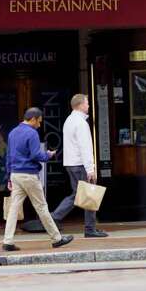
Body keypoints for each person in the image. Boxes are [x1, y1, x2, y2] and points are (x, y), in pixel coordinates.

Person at [3, 107, 74, 251]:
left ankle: (8, 241)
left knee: (14, 209)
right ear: (33, 119)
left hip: (15, 175)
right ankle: (57, 238)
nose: (39, 125)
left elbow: (8, 157)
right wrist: (48, 155)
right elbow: (36, 155)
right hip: (29, 175)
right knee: (41, 207)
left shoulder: (12, 132)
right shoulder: (32, 133)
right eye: (39, 122)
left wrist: (8, 176)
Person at [51, 94, 107, 237]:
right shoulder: (81, 123)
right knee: (88, 194)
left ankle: (57, 217)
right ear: (80, 105)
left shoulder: (69, 120)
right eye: (87, 103)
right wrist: (91, 168)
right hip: (80, 164)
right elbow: (85, 147)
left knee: (79, 194)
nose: (89, 106)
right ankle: (88, 228)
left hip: (71, 163)